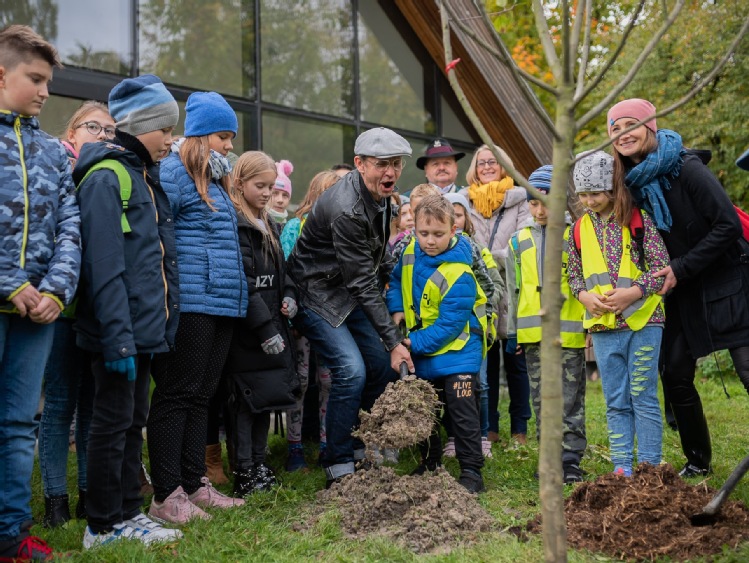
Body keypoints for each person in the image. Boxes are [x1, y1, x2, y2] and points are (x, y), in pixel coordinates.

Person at [608, 98, 749, 477]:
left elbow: (727, 227)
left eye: (629, 124)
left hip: (728, 279)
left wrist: (679, 268)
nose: (623, 133)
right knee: (674, 373)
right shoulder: (630, 184)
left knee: (748, 370)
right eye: (614, 128)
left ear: (650, 126)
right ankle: (698, 462)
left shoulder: (686, 169)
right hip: (681, 289)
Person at [73, 74, 183, 548]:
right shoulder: (107, 177)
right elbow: (104, 264)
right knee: (111, 424)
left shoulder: (142, 175)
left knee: (131, 423)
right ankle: (101, 524)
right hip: (118, 332)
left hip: (141, 331)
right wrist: (118, 335)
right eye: (166, 129)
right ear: (142, 125)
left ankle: (127, 514)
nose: (172, 140)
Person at [286, 127, 414, 488]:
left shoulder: (382, 196)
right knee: (351, 371)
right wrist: (393, 341)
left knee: (381, 369)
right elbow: (362, 281)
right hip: (316, 293)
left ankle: (362, 447)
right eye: (381, 165)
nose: (390, 173)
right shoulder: (346, 208)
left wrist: (407, 285)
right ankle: (338, 461)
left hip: (347, 290)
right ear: (359, 164)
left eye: (396, 164)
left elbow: (378, 255)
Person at [146, 91, 247, 525]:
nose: (229, 145)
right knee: (177, 395)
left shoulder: (215, 178)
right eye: (223, 136)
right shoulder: (174, 172)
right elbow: (156, 233)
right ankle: (166, 493)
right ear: (202, 134)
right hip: (191, 301)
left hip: (220, 300)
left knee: (202, 395)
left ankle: (193, 482)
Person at [0, 25, 81, 562]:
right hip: (9, 296)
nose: (45, 92)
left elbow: (69, 224)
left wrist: (55, 287)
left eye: (48, 81)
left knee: (18, 423)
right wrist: (11, 282)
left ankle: (11, 534)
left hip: (37, 315)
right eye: (35, 79)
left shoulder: (53, 151)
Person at [567, 150, 669, 477]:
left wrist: (633, 293)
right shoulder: (579, 229)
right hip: (604, 328)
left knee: (643, 395)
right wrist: (584, 297)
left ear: (613, 189)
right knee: (616, 400)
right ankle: (622, 468)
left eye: (595, 193)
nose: (589, 200)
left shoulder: (638, 220)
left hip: (643, 322)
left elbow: (662, 268)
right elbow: (573, 274)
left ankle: (650, 466)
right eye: (583, 194)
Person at [38, 101, 114, 528]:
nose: (104, 135)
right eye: (94, 127)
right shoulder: (56, 168)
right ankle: (54, 500)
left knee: (90, 403)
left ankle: (87, 494)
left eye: (110, 130)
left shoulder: (108, 173)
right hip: (61, 306)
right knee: (61, 401)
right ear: (72, 134)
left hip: (96, 306)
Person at [387, 194, 486, 493]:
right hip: (424, 353)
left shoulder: (461, 272)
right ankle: (430, 462)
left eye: (439, 234)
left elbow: (448, 327)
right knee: (425, 410)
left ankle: (472, 472)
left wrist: (408, 341)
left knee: (462, 413)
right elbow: (394, 282)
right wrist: (396, 309)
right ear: (414, 230)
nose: (430, 241)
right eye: (424, 233)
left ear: (454, 230)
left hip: (458, 354)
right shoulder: (408, 254)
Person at [224, 151, 300, 496]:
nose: (268, 193)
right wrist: (265, 328)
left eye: (271, 186)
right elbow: (244, 282)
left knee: (265, 402)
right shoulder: (236, 223)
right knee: (245, 404)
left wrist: (289, 295)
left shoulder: (267, 222)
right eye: (261, 186)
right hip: (248, 333)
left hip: (272, 325)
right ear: (239, 184)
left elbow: (282, 272)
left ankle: (259, 464)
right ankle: (243, 472)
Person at [506, 165, 587, 483]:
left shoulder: (576, 236)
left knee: (569, 398)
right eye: (533, 202)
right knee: (541, 399)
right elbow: (514, 289)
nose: (539, 209)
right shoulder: (518, 241)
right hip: (532, 335)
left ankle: (571, 459)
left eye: (546, 201)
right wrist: (513, 331)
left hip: (569, 333)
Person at [462, 144, 532, 444]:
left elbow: (523, 240)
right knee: (486, 363)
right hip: (483, 292)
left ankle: (520, 428)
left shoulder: (520, 199)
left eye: (493, 162)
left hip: (515, 290)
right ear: (474, 169)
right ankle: (489, 427)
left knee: (517, 364)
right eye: (481, 163)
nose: (487, 167)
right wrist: (485, 262)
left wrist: (489, 257)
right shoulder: (465, 202)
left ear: (504, 166)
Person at [280, 170, 339, 471]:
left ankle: (328, 444)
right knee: (301, 380)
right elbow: (287, 269)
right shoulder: (295, 226)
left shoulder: (344, 229)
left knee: (328, 380)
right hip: (301, 317)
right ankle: (295, 447)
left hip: (332, 318)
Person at [444, 192, 503, 458]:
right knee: (453, 386)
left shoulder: (476, 248)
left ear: (465, 218)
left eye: (458, 213)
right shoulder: (435, 249)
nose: (454, 218)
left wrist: (483, 314)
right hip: (448, 329)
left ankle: (482, 436)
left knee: (480, 384)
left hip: (475, 328)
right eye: (450, 213)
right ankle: (455, 437)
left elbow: (493, 287)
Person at [268, 159, 293, 227]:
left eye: (285, 195)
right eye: (275, 193)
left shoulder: (291, 229)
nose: (280, 200)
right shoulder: (256, 225)